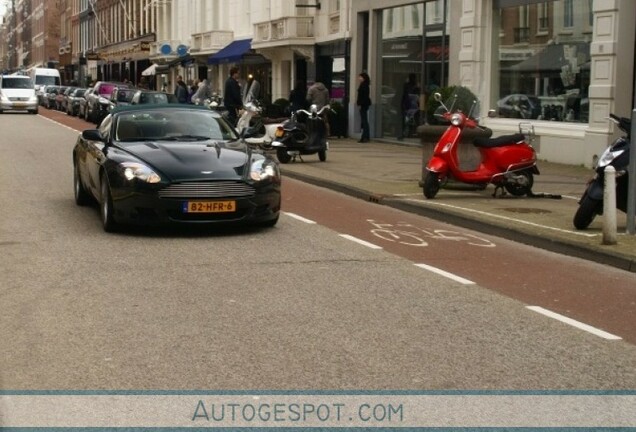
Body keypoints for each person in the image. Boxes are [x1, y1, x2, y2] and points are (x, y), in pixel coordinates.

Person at [397, 73, 419, 140]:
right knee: (405, 119)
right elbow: (404, 95)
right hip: (407, 105)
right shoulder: (407, 85)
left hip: (410, 105)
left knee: (407, 119)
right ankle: (403, 133)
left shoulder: (411, 85)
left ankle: (406, 133)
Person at [356, 72, 372, 143]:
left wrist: (360, 104)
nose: (359, 78)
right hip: (364, 104)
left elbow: (363, 96)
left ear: (363, 78)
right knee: (364, 121)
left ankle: (364, 137)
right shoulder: (365, 85)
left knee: (364, 121)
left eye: (360, 77)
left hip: (363, 105)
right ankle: (366, 136)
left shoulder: (364, 85)